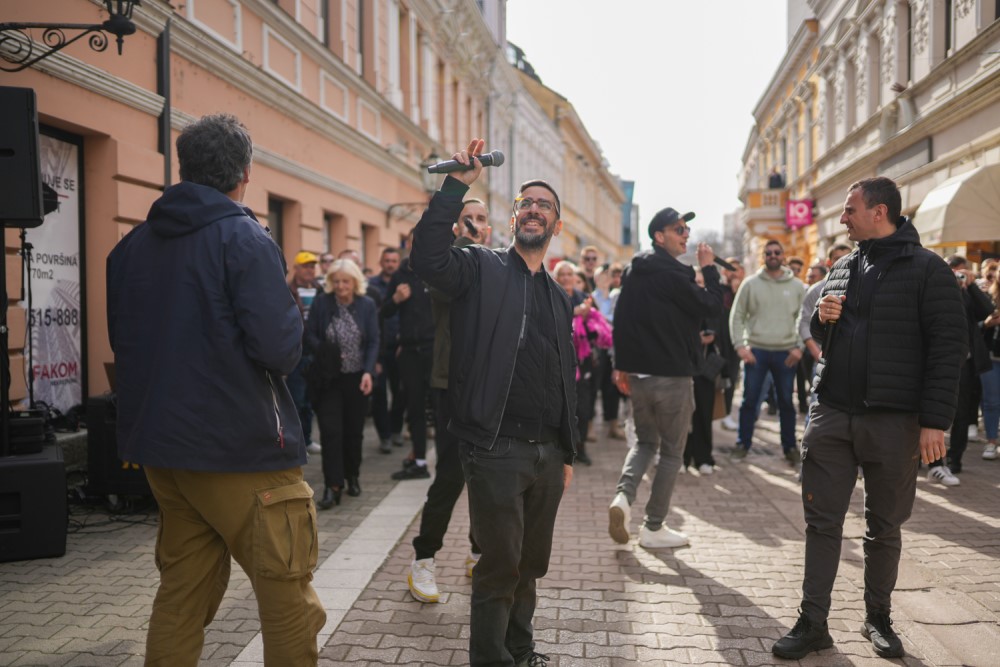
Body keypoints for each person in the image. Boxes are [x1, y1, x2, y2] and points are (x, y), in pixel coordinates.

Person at [106, 113, 325, 665]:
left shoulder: (130, 246)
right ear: (244, 173)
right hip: (242, 450)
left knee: (182, 596)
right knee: (288, 600)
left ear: (185, 169)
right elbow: (280, 350)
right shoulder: (244, 237)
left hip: (165, 452)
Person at [772, 176, 967, 661]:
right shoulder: (842, 266)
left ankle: (877, 617)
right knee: (821, 523)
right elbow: (826, 330)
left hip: (895, 421)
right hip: (833, 414)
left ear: (879, 212)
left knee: (884, 526)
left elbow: (948, 350)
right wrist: (822, 316)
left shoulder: (929, 270)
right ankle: (813, 622)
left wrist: (934, 421)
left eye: (849, 209)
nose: (842, 217)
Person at [410, 139, 577, 667]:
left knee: (529, 565)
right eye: (525, 203)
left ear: (556, 224)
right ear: (512, 219)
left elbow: (562, 378)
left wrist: (567, 452)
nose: (533, 209)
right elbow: (427, 258)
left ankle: (521, 650)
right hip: (495, 446)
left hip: (547, 453)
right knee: (499, 566)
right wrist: (455, 187)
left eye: (543, 205)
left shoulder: (558, 295)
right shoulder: (479, 269)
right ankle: (491, 658)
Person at [608, 207, 722, 549]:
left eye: (687, 229)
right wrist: (710, 269)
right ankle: (653, 527)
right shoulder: (675, 273)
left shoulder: (635, 269)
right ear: (659, 236)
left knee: (645, 443)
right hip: (672, 376)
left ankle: (623, 499)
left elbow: (621, 319)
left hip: (640, 376)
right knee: (672, 452)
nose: (686, 234)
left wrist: (621, 364)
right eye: (678, 229)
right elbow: (712, 306)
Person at [406, 197, 489, 604]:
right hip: (452, 384)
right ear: (455, 227)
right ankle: (424, 559)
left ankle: (478, 552)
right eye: (466, 219)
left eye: (481, 218)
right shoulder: (449, 263)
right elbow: (439, 273)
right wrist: (463, 243)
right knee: (452, 476)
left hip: (490, 386)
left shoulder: (498, 263)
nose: (474, 224)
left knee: (487, 477)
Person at [305, 259, 379, 507]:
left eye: (345, 281)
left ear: (355, 282)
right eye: (336, 281)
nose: (340, 286)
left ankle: (352, 475)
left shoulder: (367, 305)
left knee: (353, 433)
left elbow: (373, 342)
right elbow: (310, 333)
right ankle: (332, 485)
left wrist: (368, 372)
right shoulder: (322, 302)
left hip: (356, 379)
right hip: (329, 379)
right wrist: (325, 351)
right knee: (331, 431)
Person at [729, 240, 806, 464]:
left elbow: (805, 319)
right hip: (757, 351)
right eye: (768, 252)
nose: (773, 255)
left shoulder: (797, 286)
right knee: (749, 401)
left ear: (783, 255)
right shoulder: (750, 284)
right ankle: (742, 444)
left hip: (786, 353)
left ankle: (790, 447)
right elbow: (737, 316)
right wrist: (740, 346)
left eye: (777, 252)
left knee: (785, 403)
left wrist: (800, 347)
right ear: (763, 256)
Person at [927, 255, 994, 481]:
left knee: (963, 413)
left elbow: (987, 310)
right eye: (954, 271)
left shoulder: (966, 291)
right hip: (935, 361)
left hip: (964, 362)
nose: (958, 275)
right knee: (932, 411)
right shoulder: (932, 288)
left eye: (962, 272)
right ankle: (933, 461)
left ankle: (955, 460)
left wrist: (971, 285)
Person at [382, 238, 437, 481]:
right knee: (414, 409)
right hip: (410, 352)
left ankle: (447, 462)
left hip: (435, 350)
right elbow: (383, 311)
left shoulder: (438, 271)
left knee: (439, 408)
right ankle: (420, 462)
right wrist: (395, 300)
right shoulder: (401, 274)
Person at [683, 268, 726, 475]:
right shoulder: (682, 305)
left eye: (702, 282)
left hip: (706, 369)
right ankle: (683, 457)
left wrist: (712, 337)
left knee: (704, 413)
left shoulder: (711, 306)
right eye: (695, 282)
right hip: (684, 368)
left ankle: (703, 458)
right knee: (683, 415)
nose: (699, 285)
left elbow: (722, 333)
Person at [369, 247, 406, 453]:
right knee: (379, 394)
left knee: (401, 392)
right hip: (379, 348)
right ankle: (384, 435)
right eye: (387, 261)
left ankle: (396, 429)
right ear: (381, 262)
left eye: (394, 261)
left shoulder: (403, 284)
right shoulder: (371, 287)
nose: (390, 264)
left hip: (400, 346)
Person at [287, 251, 323, 455]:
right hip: (296, 353)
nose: (310, 270)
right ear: (297, 269)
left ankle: (307, 439)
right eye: (305, 266)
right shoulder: (288, 290)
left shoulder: (321, 291)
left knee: (309, 400)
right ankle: (297, 443)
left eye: (312, 266)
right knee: (296, 400)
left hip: (316, 353)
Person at [593, 264, 625, 440]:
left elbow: (618, 318)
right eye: (601, 277)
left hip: (612, 348)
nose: (605, 280)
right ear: (596, 280)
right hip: (596, 348)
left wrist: (601, 319)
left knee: (612, 388)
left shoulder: (615, 297)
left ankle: (613, 425)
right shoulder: (592, 298)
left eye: (607, 276)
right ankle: (590, 427)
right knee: (593, 387)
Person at [981, 272, 1000, 460]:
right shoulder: (987, 296)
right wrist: (986, 324)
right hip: (991, 358)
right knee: (991, 402)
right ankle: (991, 442)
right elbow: (973, 322)